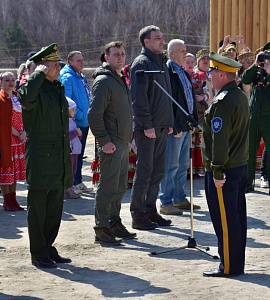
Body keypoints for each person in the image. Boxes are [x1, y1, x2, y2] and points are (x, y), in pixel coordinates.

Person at [17, 43, 72, 268]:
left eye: (58, 64)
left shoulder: (56, 86)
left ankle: (48, 247)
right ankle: (38, 253)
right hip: (41, 154)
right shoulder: (33, 86)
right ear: (43, 67)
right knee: (39, 205)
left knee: (55, 205)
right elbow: (25, 98)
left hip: (58, 152)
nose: (59, 68)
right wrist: (36, 73)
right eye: (54, 65)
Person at [202, 52, 249, 277]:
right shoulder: (239, 95)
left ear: (222, 74)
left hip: (225, 169)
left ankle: (228, 266)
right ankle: (235, 263)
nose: (210, 75)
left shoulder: (223, 101)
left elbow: (220, 140)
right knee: (236, 218)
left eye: (212, 72)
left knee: (226, 221)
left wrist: (217, 169)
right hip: (239, 165)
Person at [88, 41, 136, 245]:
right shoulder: (104, 81)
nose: (120, 57)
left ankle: (114, 222)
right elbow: (94, 115)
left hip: (122, 142)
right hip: (111, 143)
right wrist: (105, 140)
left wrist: (129, 138)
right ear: (106, 57)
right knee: (108, 187)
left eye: (123, 54)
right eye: (116, 54)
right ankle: (102, 228)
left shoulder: (118, 78)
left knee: (119, 187)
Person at [129, 25, 174, 229]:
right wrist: (146, 124)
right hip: (147, 128)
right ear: (146, 42)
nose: (161, 41)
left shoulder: (162, 62)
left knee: (158, 171)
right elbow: (138, 99)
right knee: (145, 171)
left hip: (162, 126)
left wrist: (169, 122)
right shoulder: (141, 63)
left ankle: (150, 210)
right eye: (157, 38)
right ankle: (138, 214)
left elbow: (166, 95)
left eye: (162, 38)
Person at [159, 40, 200, 216]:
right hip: (175, 128)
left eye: (185, 50)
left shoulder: (182, 71)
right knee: (171, 166)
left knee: (183, 165)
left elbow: (189, 97)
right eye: (181, 51)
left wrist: (194, 122)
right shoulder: (168, 72)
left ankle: (179, 198)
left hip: (186, 126)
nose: (185, 53)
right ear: (171, 54)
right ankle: (165, 202)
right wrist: (173, 125)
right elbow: (166, 102)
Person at [59, 51, 92, 194]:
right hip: (76, 122)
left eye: (83, 59)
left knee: (80, 152)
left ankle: (78, 181)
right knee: (74, 154)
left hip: (84, 120)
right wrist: (80, 115)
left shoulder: (80, 76)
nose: (82, 62)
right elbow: (67, 101)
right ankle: (72, 183)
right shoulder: (67, 77)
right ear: (70, 62)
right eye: (78, 60)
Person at [241, 42, 270, 193]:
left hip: (269, 117)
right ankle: (248, 181)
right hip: (254, 115)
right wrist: (255, 64)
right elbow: (245, 79)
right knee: (250, 149)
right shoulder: (257, 70)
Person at [0, 72, 26, 211]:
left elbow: (25, 117)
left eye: (12, 80)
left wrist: (24, 132)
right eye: (6, 80)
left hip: (19, 139)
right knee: (6, 169)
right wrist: (17, 133)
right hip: (7, 140)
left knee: (15, 171)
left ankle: (14, 200)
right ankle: (7, 201)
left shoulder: (18, 97)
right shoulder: (1, 99)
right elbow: (3, 121)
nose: (10, 82)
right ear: (1, 82)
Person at [64, 98, 82, 199]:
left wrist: (79, 135)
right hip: (70, 150)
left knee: (74, 169)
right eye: (73, 110)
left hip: (75, 149)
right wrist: (76, 133)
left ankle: (70, 187)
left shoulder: (73, 121)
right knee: (69, 170)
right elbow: (66, 136)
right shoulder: (65, 122)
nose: (75, 112)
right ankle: (67, 189)